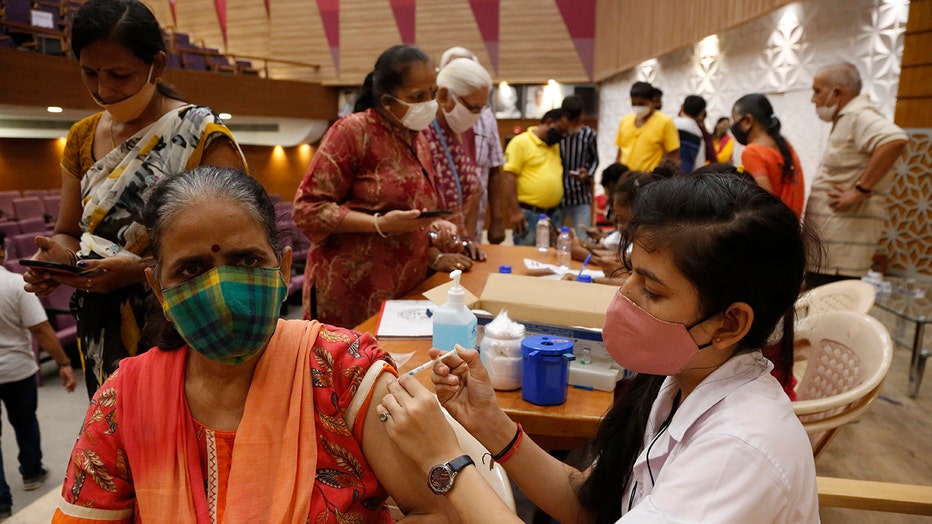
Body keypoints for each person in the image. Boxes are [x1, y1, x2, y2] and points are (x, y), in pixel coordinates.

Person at [378, 172, 821, 523]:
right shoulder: (678, 383)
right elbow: (587, 505)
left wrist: (445, 461)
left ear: (730, 323)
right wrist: (489, 423)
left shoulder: (739, 452)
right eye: (630, 273)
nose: (623, 296)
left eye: (651, 290)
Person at [53, 167, 457, 523]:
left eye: (246, 261)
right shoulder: (123, 403)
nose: (222, 290)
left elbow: (436, 512)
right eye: (192, 269)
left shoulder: (343, 373)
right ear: (159, 292)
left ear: (282, 269)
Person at [21, 0, 246, 399]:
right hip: (102, 330)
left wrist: (136, 271)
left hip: (184, 323)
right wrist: (57, 258)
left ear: (157, 66)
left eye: (120, 75)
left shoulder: (201, 135)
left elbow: (232, 251)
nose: (103, 90)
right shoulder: (80, 137)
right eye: (90, 73)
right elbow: (68, 231)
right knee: (117, 443)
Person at [293, 45, 460, 328]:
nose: (429, 104)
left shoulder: (418, 138)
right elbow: (307, 209)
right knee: (349, 367)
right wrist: (379, 224)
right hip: (351, 290)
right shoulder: (352, 131)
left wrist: (434, 224)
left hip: (404, 288)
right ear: (387, 100)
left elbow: (410, 209)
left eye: (432, 93)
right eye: (418, 97)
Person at [805, 62, 908, 289]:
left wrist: (860, 191)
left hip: (840, 253)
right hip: (832, 247)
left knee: (827, 314)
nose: (813, 99)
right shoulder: (846, 117)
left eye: (817, 91)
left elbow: (894, 140)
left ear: (838, 92)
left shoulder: (858, 115)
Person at [0, 234, 76, 518]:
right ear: (2, 251)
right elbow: (41, 329)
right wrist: (64, 363)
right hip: (18, 370)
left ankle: (1, 500)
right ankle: (32, 472)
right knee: (25, 422)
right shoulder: (14, 284)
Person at [423, 57, 493, 261]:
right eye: (473, 107)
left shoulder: (463, 131)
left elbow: (475, 190)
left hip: (456, 249)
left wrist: (467, 241)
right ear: (444, 95)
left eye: (482, 108)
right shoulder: (422, 133)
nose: (477, 115)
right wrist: (434, 257)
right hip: (426, 254)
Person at [438, 47, 506, 245]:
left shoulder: (483, 118)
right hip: (437, 233)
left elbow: (492, 172)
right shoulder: (427, 124)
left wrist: (497, 220)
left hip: (469, 228)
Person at [502, 108, 572, 246]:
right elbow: (509, 178)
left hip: (554, 215)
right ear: (549, 122)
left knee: (551, 260)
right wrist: (515, 212)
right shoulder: (520, 143)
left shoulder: (554, 146)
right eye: (560, 130)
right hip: (529, 214)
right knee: (525, 257)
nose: (562, 136)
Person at [731, 93, 805, 218]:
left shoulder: (752, 152)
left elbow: (763, 203)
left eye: (735, 121)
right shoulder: (785, 145)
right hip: (790, 223)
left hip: (772, 228)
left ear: (748, 121)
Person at [552, 95, 599, 240]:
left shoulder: (589, 134)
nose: (576, 124)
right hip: (557, 197)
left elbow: (596, 160)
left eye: (579, 121)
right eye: (573, 121)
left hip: (581, 197)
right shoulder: (556, 135)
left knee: (583, 238)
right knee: (555, 238)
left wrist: (588, 173)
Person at [614, 81, 680, 171]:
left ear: (653, 101)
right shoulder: (625, 121)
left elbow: (673, 156)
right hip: (625, 179)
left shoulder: (665, 122)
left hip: (649, 180)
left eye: (641, 104)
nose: (637, 107)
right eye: (634, 104)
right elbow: (619, 153)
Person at [673, 95, 710, 174]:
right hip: (684, 179)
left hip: (661, 175)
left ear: (682, 107)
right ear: (701, 113)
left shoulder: (670, 124)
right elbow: (699, 166)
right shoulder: (698, 133)